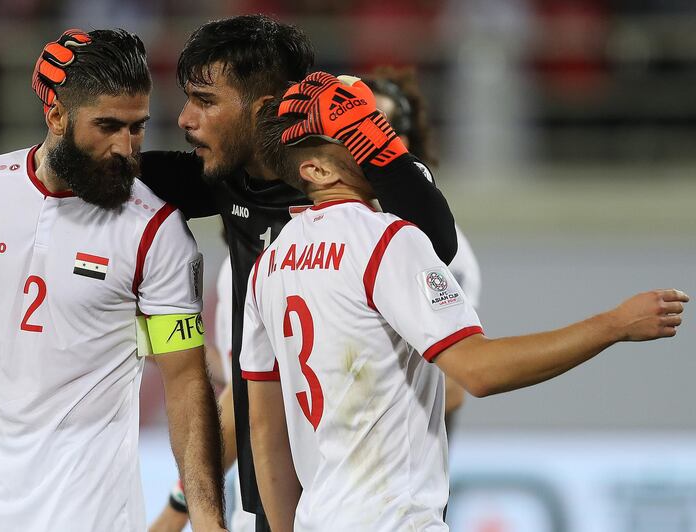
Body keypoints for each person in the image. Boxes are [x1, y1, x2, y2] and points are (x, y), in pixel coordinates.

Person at [35, 15, 460, 532]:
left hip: (377, 508)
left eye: (206, 101)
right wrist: (68, 115)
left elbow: (437, 242)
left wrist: (372, 142)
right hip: (272, 499)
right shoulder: (225, 181)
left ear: (262, 111)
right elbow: (102, 168)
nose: (186, 119)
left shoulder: (359, 185)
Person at [240, 73, 688, 531]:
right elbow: (478, 371)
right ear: (316, 170)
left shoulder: (268, 265)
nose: (377, 145)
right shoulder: (389, 241)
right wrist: (615, 324)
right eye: (357, 135)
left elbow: (264, 428)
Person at [0, 29, 225, 531]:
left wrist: (206, 517)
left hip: (94, 512)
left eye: (137, 128)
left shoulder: (155, 231)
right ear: (55, 115)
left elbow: (184, 379)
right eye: (108, 126)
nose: (126, 148)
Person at [364, 67, 482, 432]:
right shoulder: (310, 232)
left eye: (370, 129)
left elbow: (455, 385)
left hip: (403, 461)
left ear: (403, 143)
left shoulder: (442, 246)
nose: (356, 143)